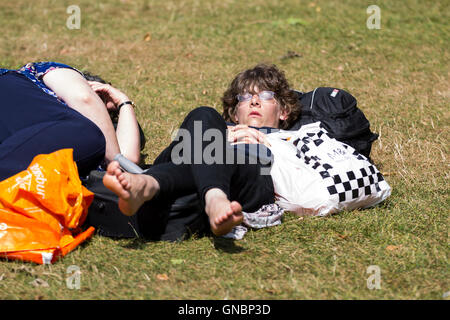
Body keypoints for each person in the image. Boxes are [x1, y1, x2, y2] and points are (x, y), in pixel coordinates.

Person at [103, 63, 301, 237]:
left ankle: (147, 184)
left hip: (249, 175)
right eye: (245, 96)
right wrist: (221, 137)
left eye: (266, 96)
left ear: (284, 111)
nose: (254, 101)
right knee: (203, 114)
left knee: (214, 157)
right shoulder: (216, 127)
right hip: (191, 161)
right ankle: (214, 198)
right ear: (235, 113)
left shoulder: (296, 137)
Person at [0, 62, 141, 181]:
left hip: (16, 144)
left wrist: (124, 103)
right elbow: (85, 98)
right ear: (93, 87)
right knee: (90, 136)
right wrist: (115, 162)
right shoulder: (43, 71)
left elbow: (129, 161)